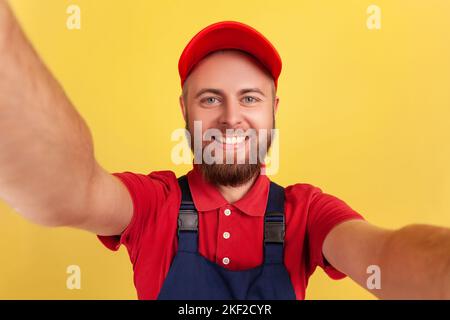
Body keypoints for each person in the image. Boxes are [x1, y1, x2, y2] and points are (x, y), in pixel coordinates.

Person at [0, 0, 449, 300]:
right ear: (184, 110)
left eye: (249, 98)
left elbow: (386, 256)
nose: (231, 118)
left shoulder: (306, 213)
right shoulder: (155, 205)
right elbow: (69, 191)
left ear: (274, 109)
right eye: (210, 98)